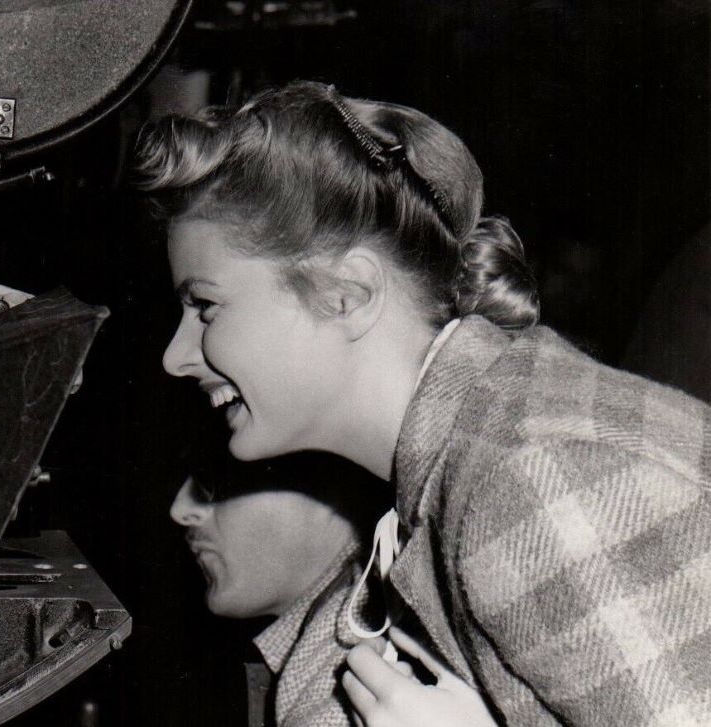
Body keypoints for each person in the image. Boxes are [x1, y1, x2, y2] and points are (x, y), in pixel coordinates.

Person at [135, 80, 711, 725]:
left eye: (206, 306)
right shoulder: (464, 458)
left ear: (346, 294)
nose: (176, 356)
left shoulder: (526, 476)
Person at [170, 446, 389, 726]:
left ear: (326, 484)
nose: (180, 510)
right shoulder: (320, 653)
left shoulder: (351, 678)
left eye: (213, 479)